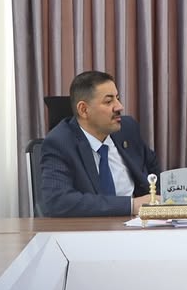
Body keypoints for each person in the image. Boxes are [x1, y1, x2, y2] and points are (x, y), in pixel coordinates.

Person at [40, 71, 161, 217]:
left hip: (141, 223)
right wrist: (130, 205)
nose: (119, 107)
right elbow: (58, 201)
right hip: (90, 228)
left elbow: (156, 175)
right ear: (83, 110)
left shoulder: (128, 129)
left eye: (117, 98)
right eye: (108, 102)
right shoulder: (59, 143)